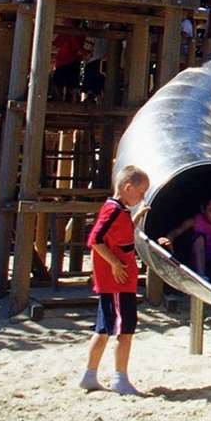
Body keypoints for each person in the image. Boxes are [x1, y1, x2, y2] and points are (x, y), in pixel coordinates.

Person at [80, 166, 150, 396]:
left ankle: (89, 375)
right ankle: (120, 377)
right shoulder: (112, 211)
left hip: (119, 282)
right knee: (124, 330)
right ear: (127, 188)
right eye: (141, 192)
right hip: (117, 282)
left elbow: (120, 234)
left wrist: (137, 216)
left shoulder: (120, 210)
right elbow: (96, 239)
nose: (142, 196)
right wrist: (115, 264)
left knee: (103, 328)